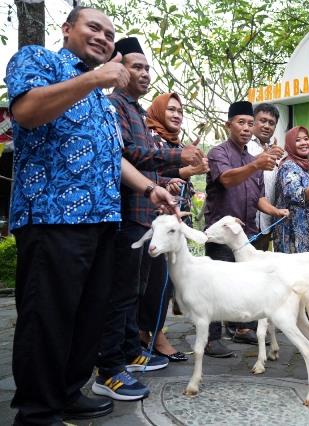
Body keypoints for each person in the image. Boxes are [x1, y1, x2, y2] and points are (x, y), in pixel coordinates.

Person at [5, 7, 177, 424]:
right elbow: (25, 111)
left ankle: (67, 392)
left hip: (102, 221)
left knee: (90, 314)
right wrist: (95, 79)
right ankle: (37, 410)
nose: (103, 37)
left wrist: (150, 188)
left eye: (110, 33)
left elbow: (112, 157)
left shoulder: (100, 101)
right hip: (52, 216)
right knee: (49, 316)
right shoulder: (38, 60)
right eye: (93, 28)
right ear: (67, 29)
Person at [93, 37, 204, 401]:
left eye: (146, 67)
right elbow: (123, 153)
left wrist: (163, 185)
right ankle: (109, 367)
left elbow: (144, 162)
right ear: (118, 67)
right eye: (135, 66)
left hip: (145, 214)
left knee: (135, 291)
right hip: (126, 214)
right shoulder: (114, 106)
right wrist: (176, 160)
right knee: (121, 293)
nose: (143, 73)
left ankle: (129, 352)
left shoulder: (136, 110)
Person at [203, 100, 288, 356]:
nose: (247, 128)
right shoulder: (218, 153)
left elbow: (258, 198)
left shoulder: (254, 160)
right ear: (228, 125)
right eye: (241, 123)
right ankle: (210, 338)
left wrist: (276, 211)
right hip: (222, 232)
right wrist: (255, 165)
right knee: (217, 284)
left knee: (244, 283)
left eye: (250, 123)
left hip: (246, 234)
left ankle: (243, 329)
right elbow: (227, 179)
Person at [138, 92, 208, 362]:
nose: (177, 114)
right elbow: (153, 175)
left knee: (164, 281)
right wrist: (187, 171)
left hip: (176, 220)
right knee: (157, 280)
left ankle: (150, 331)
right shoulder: (151, 139)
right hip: (157, 219)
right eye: (170, 110)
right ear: (156, 112)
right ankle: (153, 335)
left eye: (180, 110)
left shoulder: (173, 142)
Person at [273, 126, 309, 253]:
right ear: (290, 144)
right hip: (293, 233)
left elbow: (308, 198)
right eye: (298, 140)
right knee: (296, 271)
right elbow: (294, 194)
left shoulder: (306, 167)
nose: (304, 143)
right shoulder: (288, 166)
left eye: (306, 139)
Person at [247, 103, 285, 251]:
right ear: (253, 121)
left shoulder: (276, 151)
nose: (267, 126)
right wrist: (263, 156)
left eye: (271, 123)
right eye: (263, 120)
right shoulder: (244, 146)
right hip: (245, 222)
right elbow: (238, 169)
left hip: (267, 223)